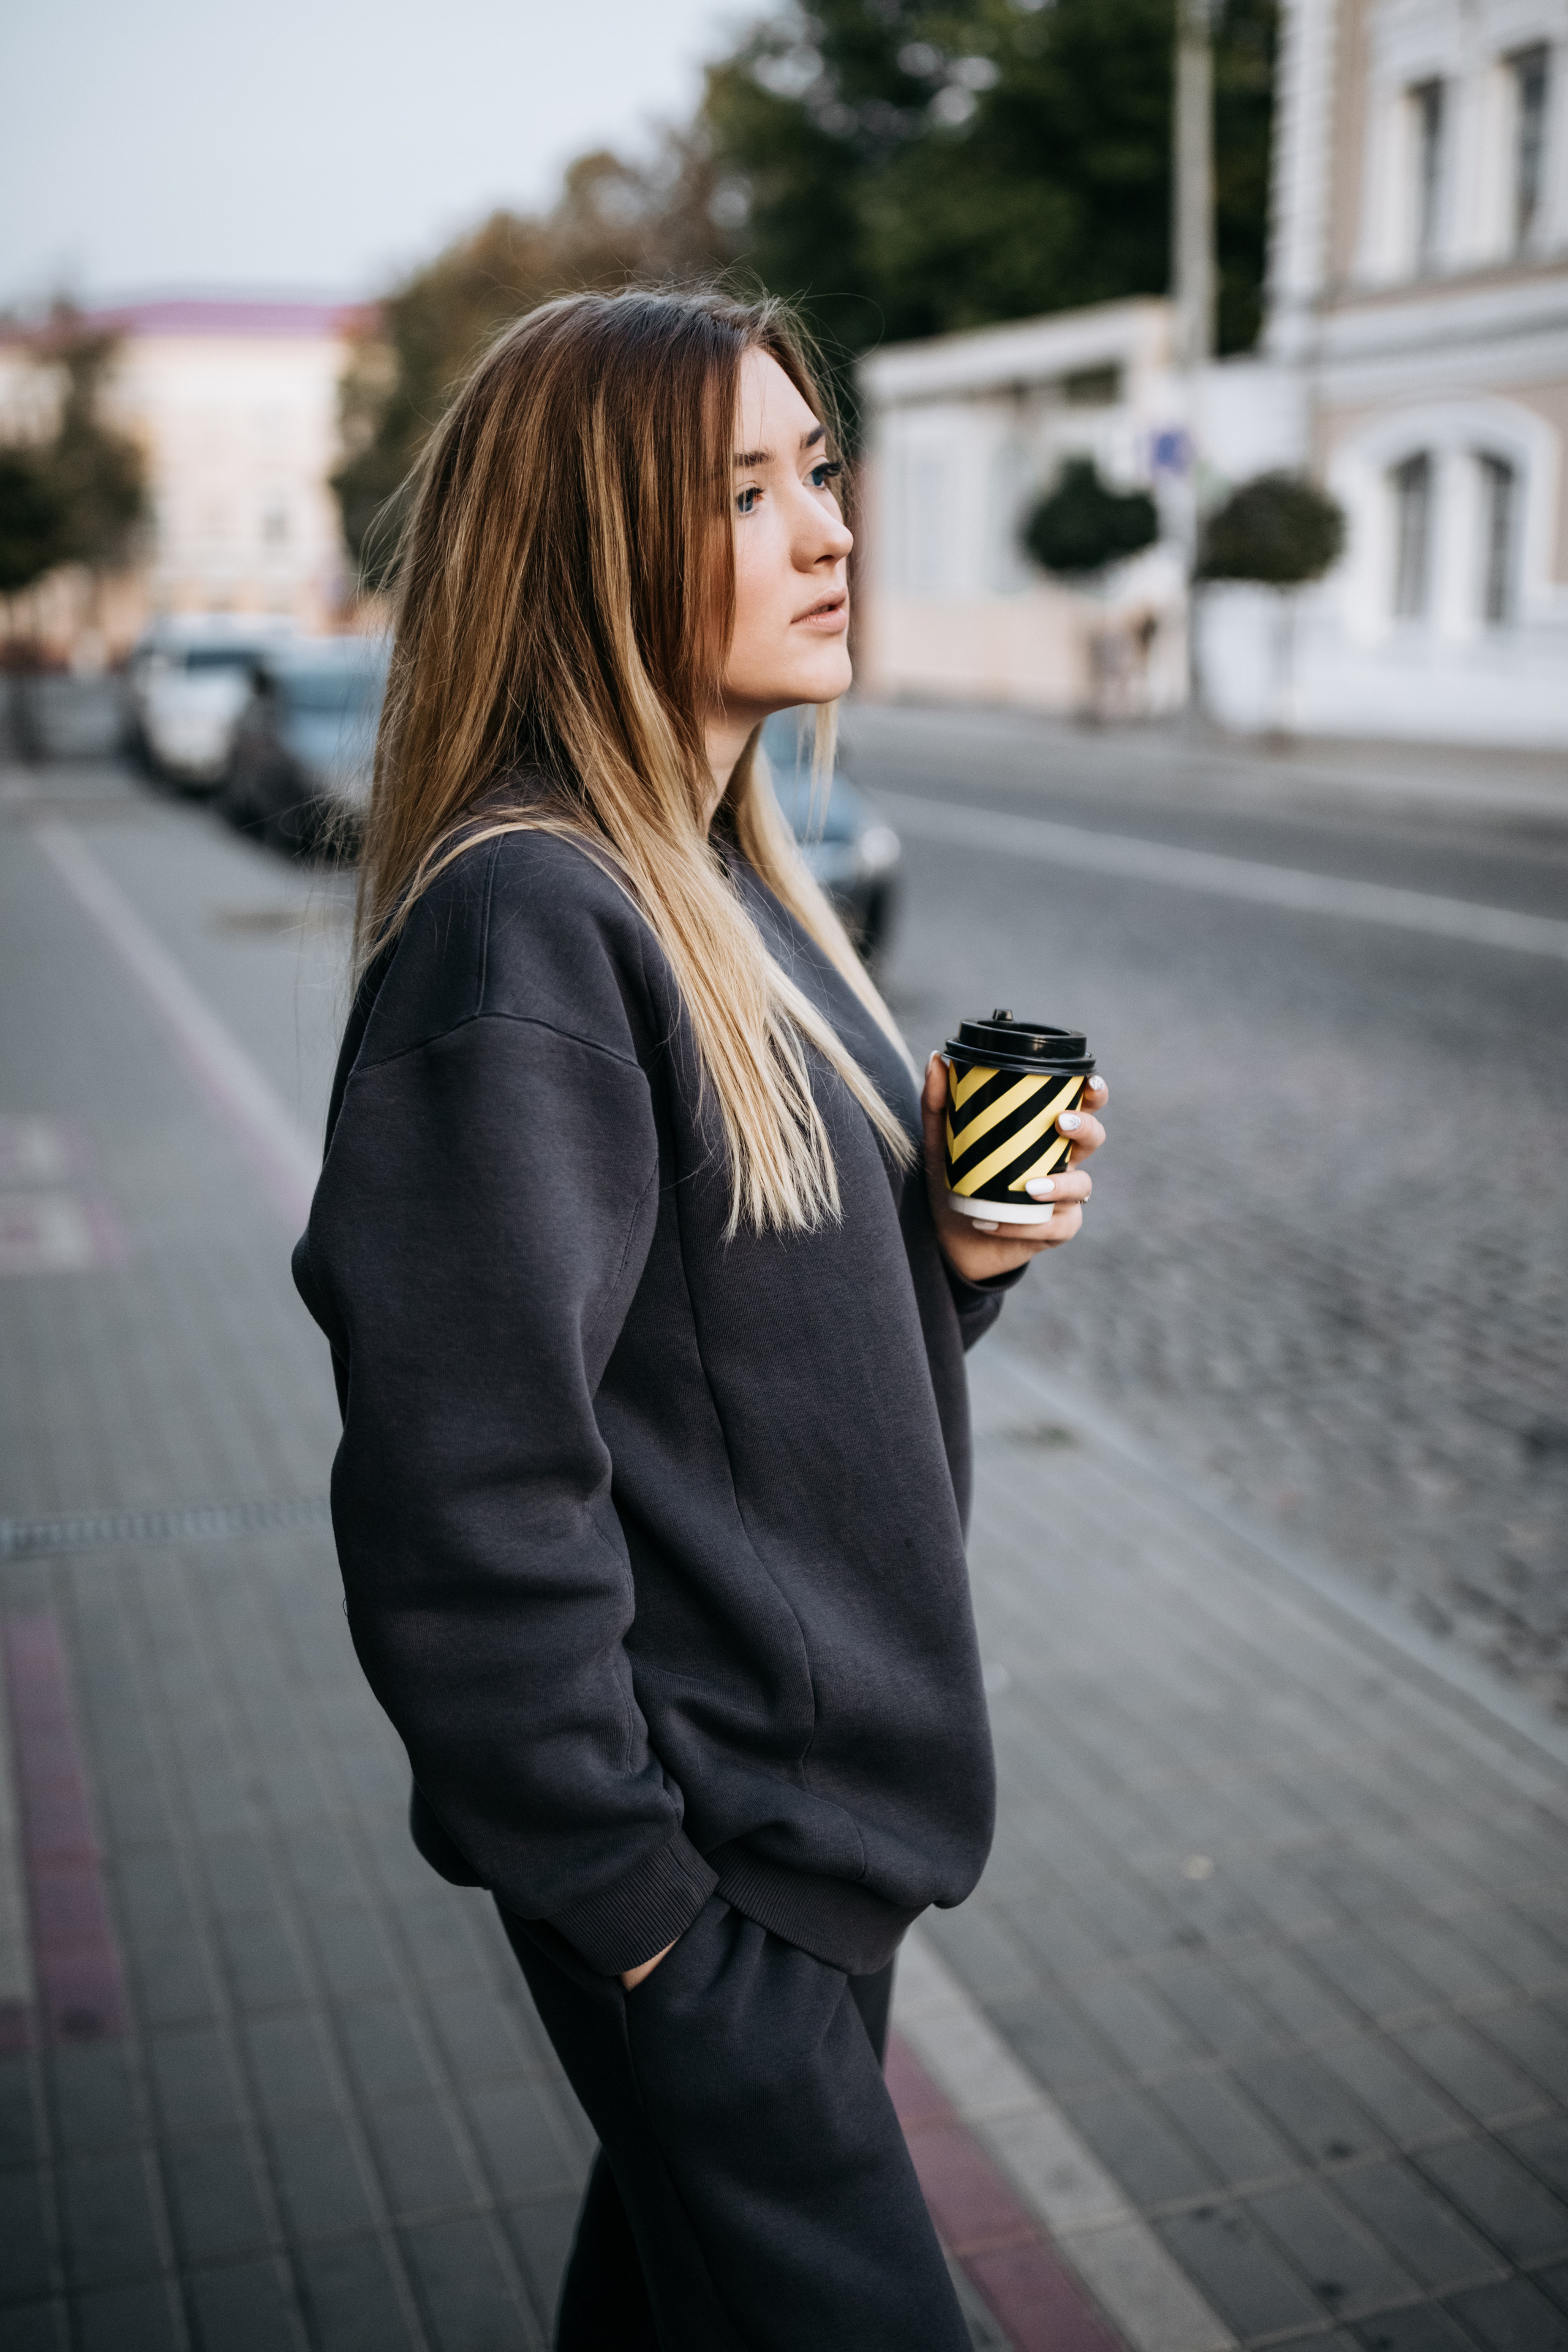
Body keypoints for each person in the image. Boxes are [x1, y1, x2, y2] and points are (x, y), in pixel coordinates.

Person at [292, 288, 1109, 2351]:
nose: (829, 529)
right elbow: (464, 1505)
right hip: (714, 1874)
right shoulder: (531, 922)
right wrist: (648, 1928)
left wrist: (958, 1269)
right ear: (591, 547)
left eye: (818, 470)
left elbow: (741, 1389)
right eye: (746, 492)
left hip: (807, 1858)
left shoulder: (728, 889)